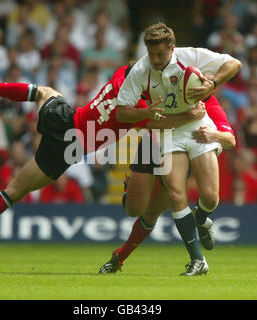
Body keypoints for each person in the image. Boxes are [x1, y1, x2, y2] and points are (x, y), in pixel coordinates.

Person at [0, 59, 205, 258]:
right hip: (71, 150)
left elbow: (137, 71)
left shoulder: (121, 76)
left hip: (65, 124)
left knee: (46, 92)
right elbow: (161, 123)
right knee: (14, 192)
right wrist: (189, 116)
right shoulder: (143, 111)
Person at [112, 22, 242, 275]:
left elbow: (234, 64)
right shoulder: (140, 69)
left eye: (160, 54)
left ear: (172, 48)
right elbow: (122, 112)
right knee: (172, 195)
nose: (155, 59)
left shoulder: (190, 57)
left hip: (196, 129)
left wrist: (213, 83)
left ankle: (202, 218)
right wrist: (144, 112)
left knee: (210, 197)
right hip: (165, 133)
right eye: (151, 54)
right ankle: (198, 261)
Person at [99, 95, 236, 275]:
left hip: (177, 156)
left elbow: (230, 140)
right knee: (134, 209)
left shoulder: (208, 103)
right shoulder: (167, 92)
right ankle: (130, 192)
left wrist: (214, 135)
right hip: (152, 145)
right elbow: (148, 122)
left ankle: (120, 257)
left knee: (152, 213)